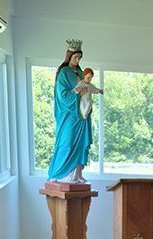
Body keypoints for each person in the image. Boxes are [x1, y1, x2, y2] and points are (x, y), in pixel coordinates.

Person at [47, 39, 91, 183]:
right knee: (67, 143)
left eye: (79, 57)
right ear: (69, 56)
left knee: (78, 145)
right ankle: (61, 174)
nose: (77, 60)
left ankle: (76, 174)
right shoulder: (64, 73)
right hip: (69, 115)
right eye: (75, 57)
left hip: (81, 116)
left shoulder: (80, 72)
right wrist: (78, 94)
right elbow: (63, 95)